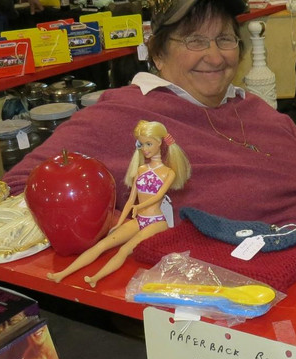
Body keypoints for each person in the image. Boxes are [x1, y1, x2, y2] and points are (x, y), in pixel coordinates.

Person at [4, 0, 296, 237]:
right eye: (195, 41)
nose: (214, 56)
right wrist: (128, 229)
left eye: (225, 39)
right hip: (233, 289)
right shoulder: (122, 115)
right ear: (159, 53)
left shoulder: (255, 110)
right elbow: (21, 187)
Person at [46, 120, 191, 287]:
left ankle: (95, 278)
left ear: (159, 143)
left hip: (156, 221)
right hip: (139, 219)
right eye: (141, 144)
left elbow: (158, 196)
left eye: (149, 144)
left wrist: (139, 206)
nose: (145, 149)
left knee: (124, 250)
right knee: (104, 244)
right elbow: (130, 200)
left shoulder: (168, 173)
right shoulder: (141, 170)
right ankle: (62, 274)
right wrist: (120, 222)